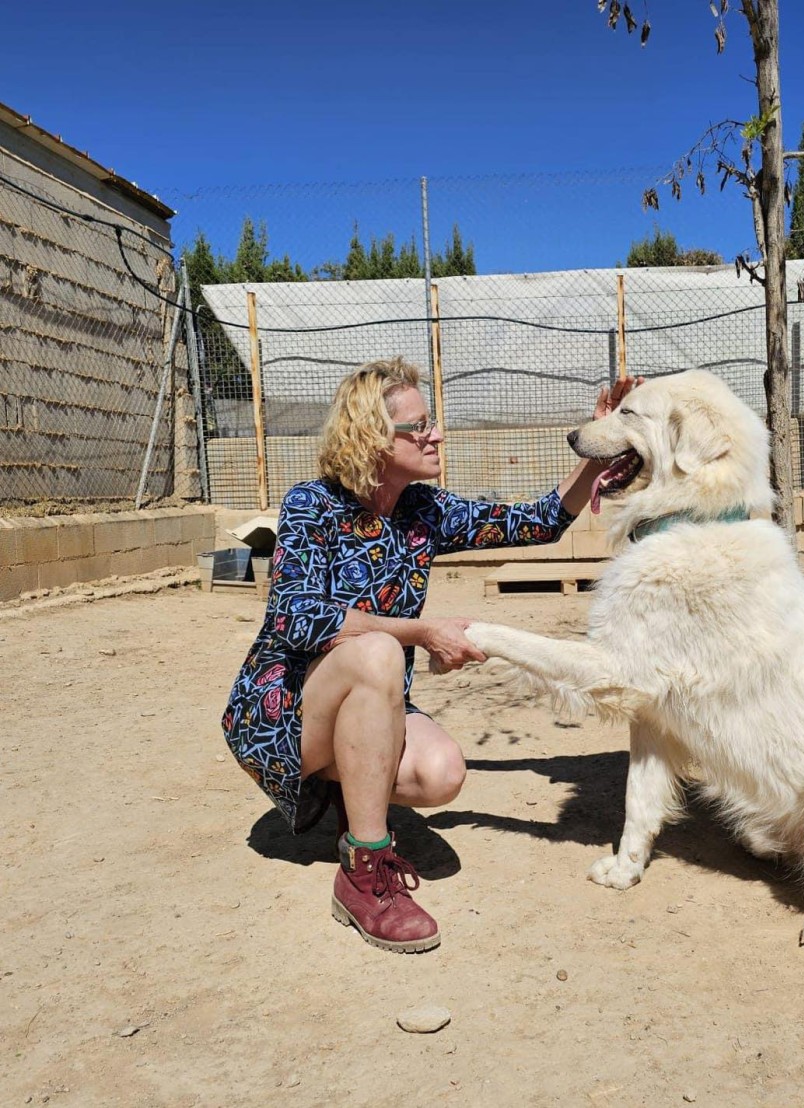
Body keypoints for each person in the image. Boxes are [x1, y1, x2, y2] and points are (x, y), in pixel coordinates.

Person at [221, 356, 639, 954]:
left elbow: (540, 522)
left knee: (441, 774)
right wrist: (420, 631)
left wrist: (598, 450)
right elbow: (295, 615)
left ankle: (352, 798)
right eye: (418, 427)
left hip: (362, 701)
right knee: (378, 654)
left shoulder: (424, 511)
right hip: (281, 717)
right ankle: (364, 874)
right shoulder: (310, 505)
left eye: (431, 422)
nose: (435, 434)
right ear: (371, 438)